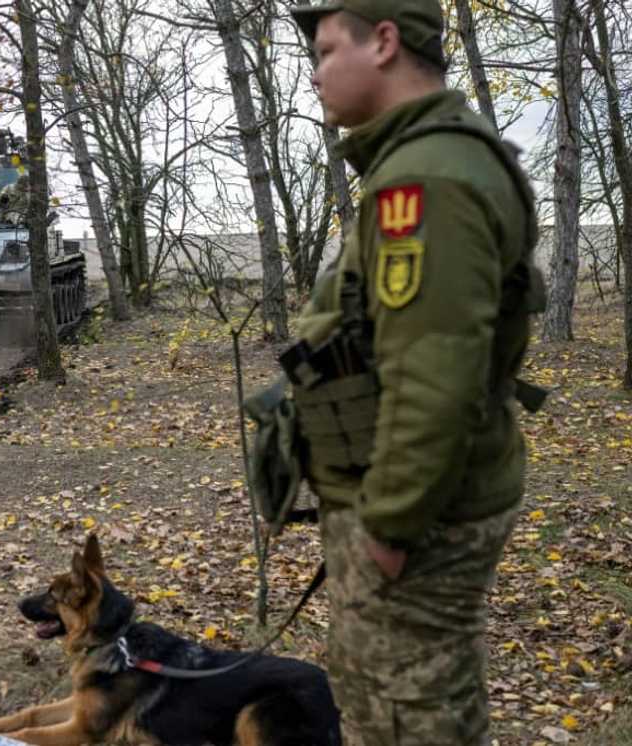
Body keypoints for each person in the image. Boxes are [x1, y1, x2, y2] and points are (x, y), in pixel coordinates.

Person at [282, 1, 545, 744]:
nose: (315, 74)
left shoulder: (426, 180)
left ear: (386, 43)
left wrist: (391, 522)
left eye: (329, 50)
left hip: (418, 516)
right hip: (419, 498)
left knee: (406, 717)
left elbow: (437, 376)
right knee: (395, 705)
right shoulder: (430, 158)